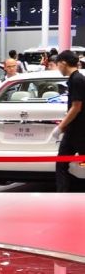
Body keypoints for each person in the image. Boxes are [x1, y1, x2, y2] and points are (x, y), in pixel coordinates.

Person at [52, 50, 85, 193]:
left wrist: (60, 126)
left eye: (58, 64)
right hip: (74, 129)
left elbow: (76, 107)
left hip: (80, 130)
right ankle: (62, 195)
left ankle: (63, 194)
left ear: (63, 63)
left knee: (62, 164)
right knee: (61, 163)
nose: (58, 68)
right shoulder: (74, 78)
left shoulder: (77, 79)